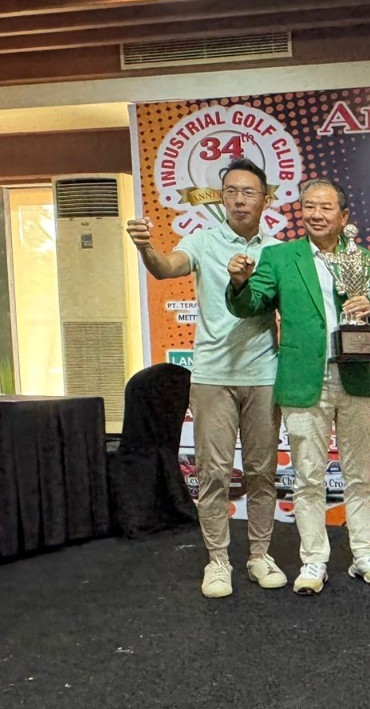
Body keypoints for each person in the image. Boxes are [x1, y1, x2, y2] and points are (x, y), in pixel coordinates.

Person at [226, 178, 370, 596]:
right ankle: (314, 560)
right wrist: (239, 282)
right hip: (305, 380)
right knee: (308, 477)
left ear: (344, 216)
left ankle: (364, 556)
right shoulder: (279, 257)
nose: (316, 215)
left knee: (359, 476)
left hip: (356, 376)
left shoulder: (366, 259)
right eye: (309, 207)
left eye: (325, 207)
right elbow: (250, 305)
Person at [127, 157, 286, 599]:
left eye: (248, 192)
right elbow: (165, 267)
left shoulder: (278, 251)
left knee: (262, 472)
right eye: (231, 191)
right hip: (213, 375)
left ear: (265, 199)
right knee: (214, 473)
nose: (239, 199)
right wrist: (145, 248)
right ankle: (218, 561)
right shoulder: (202, 240)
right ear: (222, 198)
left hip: (264, 374)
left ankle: (259, 555)